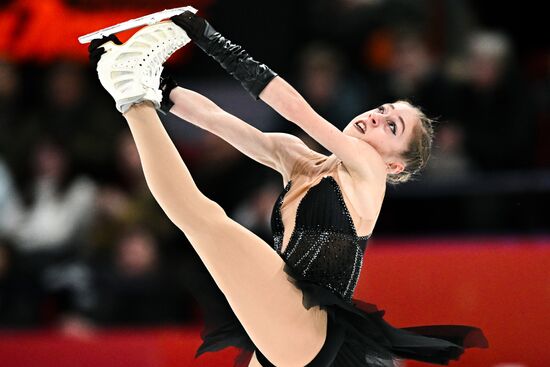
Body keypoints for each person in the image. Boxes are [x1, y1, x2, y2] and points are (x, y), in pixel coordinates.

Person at [87, 12, 488, 367]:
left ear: (394, 164)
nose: (377, 118)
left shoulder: (370, 172)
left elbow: (298, 110)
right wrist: (155, 81)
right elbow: (218, 120)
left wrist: (211, 40)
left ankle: (130, 98)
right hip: (289, 325)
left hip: (305, 326)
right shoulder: (297, 157)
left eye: (392, 127)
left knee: (204, 219)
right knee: (202, 219)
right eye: (384, 110)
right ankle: (127, 83)